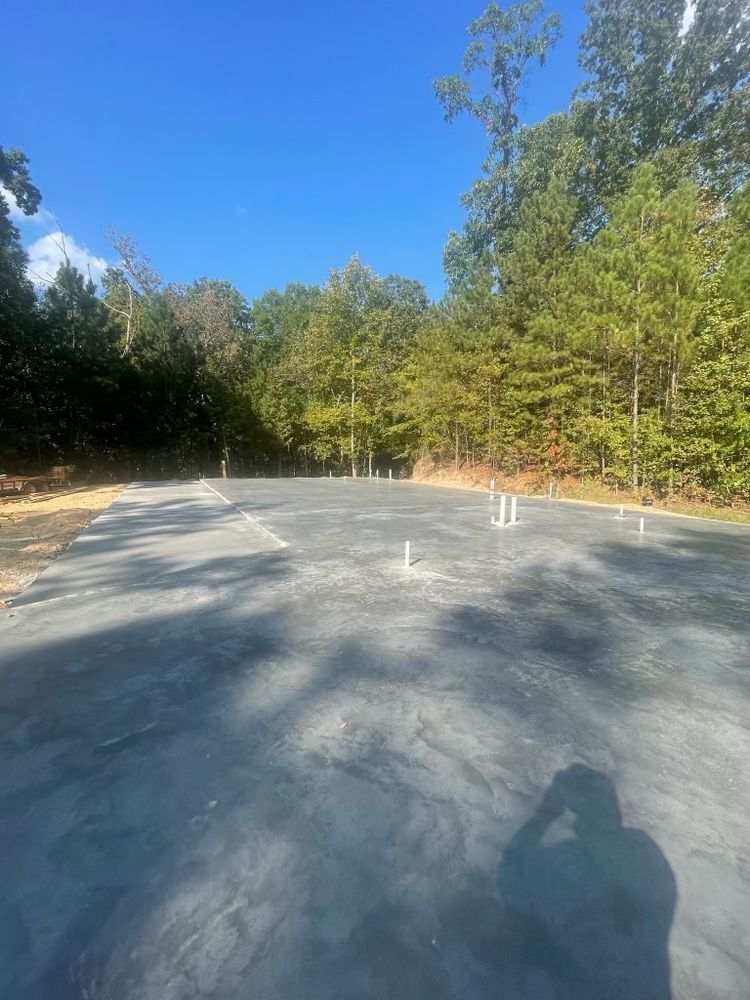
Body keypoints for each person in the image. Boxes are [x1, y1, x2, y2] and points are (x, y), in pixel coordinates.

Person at [495, 765, 676, 999]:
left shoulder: (569, 863)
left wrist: (545, 815)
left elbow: (510, 875)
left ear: (574, 810)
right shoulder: (646, 850)